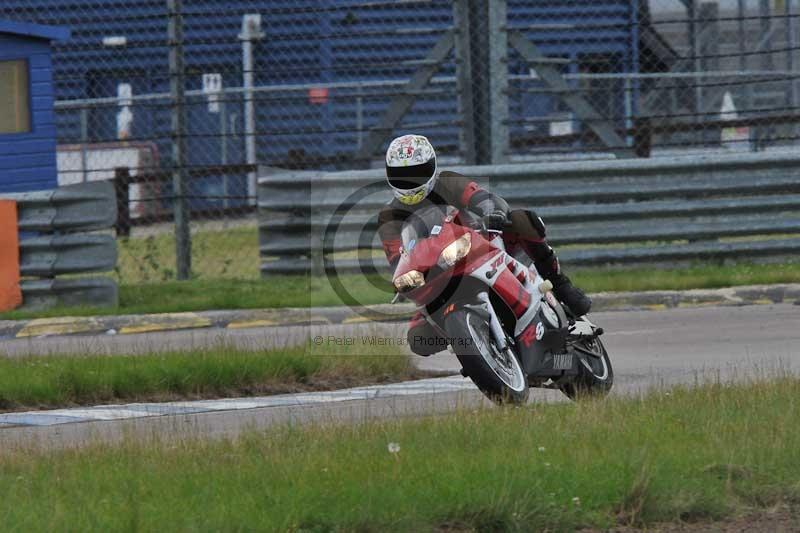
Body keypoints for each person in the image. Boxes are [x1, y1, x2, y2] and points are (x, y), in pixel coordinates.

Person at [377, 134, 592, 356]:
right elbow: (397, 259)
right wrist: (404, 280)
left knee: (522, 219)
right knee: (418, 339)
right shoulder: (389, 216)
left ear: (432, 166)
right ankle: (472, 341)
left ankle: (560, 284)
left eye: (417, 173)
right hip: (439, 276)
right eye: (402, 175)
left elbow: (482, 197)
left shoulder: (448, 182)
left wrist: (492, 212)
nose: (411, 181)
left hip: (481, 245)